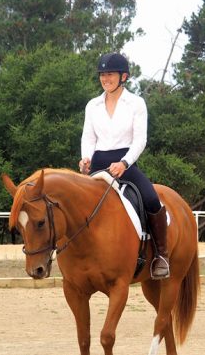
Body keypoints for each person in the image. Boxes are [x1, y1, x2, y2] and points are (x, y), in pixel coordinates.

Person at [78, 52, 169, 279]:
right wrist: (85, 158)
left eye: (110, 74)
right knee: (73, 203)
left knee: (151, 198)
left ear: (123, 76)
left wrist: (124, 163)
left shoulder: (136, 103)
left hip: (125, 162)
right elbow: (88, 137)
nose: (105, 78)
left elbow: (140, 140)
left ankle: (161, 255)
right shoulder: (92, 105)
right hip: (97, 163)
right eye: (102, 74)